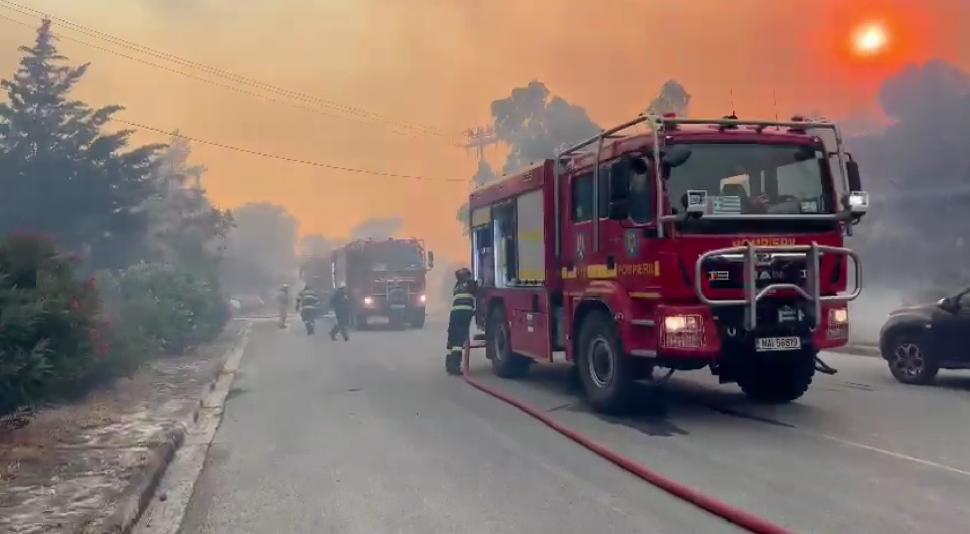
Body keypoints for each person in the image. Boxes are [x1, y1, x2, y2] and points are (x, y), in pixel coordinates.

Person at [445, 267, 477, 375]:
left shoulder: (457, 286)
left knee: (453, 339)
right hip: (464, 314)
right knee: (459, 342)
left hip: (454, 314)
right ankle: (454, 366)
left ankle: (450, 365)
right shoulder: (470, 284)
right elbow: (477, 291)